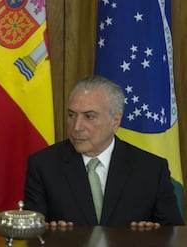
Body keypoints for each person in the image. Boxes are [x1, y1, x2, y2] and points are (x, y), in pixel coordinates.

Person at [24, 75, 183, 229]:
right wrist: (49, 233)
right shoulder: (43, 165)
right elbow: (29, 233)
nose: (77, 127)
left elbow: (174, 232)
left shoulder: (151, 169)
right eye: (71, 115)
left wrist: (154, 234)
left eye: (89, 116)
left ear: (115, 120)